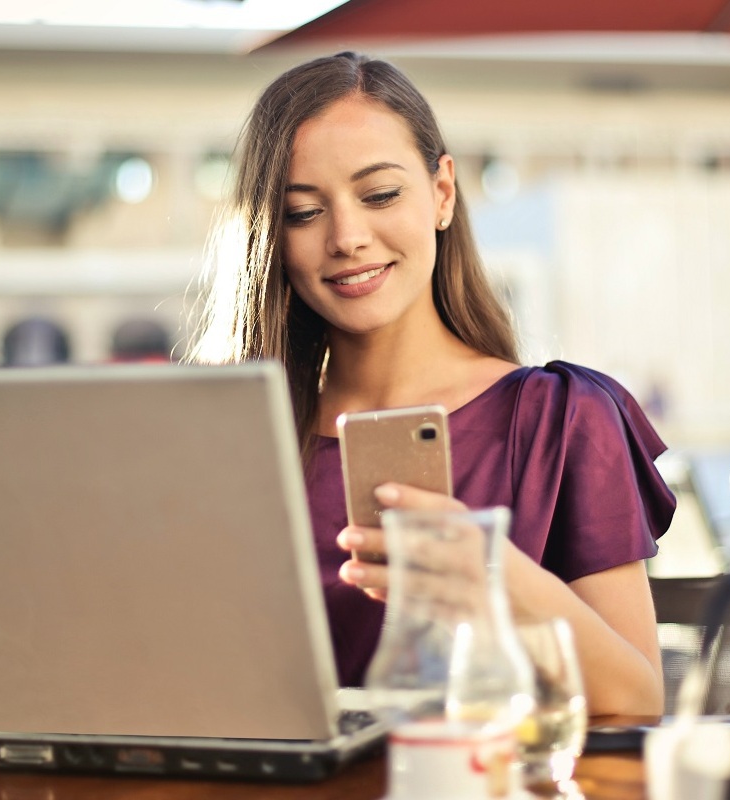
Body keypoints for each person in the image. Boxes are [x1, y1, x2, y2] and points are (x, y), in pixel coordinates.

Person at [187, 52, 675, 716]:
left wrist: (491, 577)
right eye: (304, 212)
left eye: (380, 194)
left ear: (441, 193)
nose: (348, 238)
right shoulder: (231, 437)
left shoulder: (560, 417)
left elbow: (638, 697)